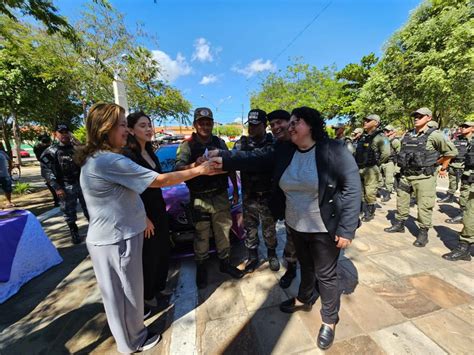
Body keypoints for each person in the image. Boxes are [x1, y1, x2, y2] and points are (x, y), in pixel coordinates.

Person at [215, 107, 361, 350]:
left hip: (324, 227)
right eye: (289, 122)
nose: (289, 126)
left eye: (296, 122)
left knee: (326, 275)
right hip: (296, 225)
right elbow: (254, 158)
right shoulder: (284, 150)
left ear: (311, 126)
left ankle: (329, 320)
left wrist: (346, 230)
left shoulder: (333, 150)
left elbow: (353, 188)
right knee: (305, 266)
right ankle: (304, 297)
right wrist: (222, 157)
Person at [76, 102, 217, 354]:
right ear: (105, 128)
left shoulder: (104, 158)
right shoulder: (108, 161)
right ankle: (132, 341)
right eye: (122, 125)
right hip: (115, 239)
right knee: (122, 296)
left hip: (121, 234)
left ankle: (133, 332)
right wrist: (200, 169)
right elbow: (159, 180)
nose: (126, 131)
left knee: (128, 292)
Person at [210, 109, 299, 288]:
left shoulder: (274, 143)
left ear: (263, 126)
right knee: (250, 228)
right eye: (250, 124)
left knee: (269, 228)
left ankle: (272, 254)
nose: (252, 128)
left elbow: (260, 160)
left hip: (267, 195)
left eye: (256, 125)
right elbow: (234, 164)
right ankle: (253, 257)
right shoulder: (240, 144)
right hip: (249, 195)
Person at [175, 107, 243, 289]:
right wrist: (193, 164)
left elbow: (229, 166)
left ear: (212, 123)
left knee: (223, 231)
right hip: (199, 198)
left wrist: (235, 190)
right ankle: (202, 267)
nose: (205, 125)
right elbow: (178, 169)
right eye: (201, 122)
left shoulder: (220, 142)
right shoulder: (187, 145)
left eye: (208, 122)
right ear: (195, 124)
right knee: (201, 235)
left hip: (220, 195)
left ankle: (225, 263)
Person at [384, 107, 458, 247]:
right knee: (402, 200)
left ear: (429, 118)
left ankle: (423, 232)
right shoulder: (408, 134)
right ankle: (400, 223)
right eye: (415, 116)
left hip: (424, 177)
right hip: (406, 175)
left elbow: (451, 152)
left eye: (420, 116)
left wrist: (439, 165)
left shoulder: (435, 135)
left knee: (424, 205)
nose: (416, 118)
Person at [123, 111, 172, 308]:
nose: (148, 129)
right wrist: (143, 218)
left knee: (163, 251)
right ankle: (148, 296)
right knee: (148, 257)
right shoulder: (128, 155)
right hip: (143, 213)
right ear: (131, 130)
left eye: (149, 125)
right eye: (142, 126)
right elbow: (129, 191)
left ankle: (159, 288)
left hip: (159, 208)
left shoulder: (151, 152)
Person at [40, 123, 89, 244]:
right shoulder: (51, 151)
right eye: (61, 132)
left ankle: (95, 231)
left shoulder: (77, 147)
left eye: (66, 132)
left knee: (90, 208)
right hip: (65, 186)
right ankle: (74, 234)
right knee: (68, 211)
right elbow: (46, 171)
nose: (64, 135)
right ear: (55, 134)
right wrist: (57, 187)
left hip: (83, 184)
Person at [443, 122, 473, 261]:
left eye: (466, 126)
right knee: (469, 214)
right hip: (468, 175)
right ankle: (464, 247)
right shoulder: (458, 140)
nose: (463, 128)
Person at [354, 114, 390, 222]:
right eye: (365, 120)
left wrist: (376, 163)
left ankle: (369, 212)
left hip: (371, 169)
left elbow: (386, 153)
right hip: (359, 168)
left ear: (376, 123)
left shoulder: (381, 137)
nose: (365, 122)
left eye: (368, 120)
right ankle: (359, 210)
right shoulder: (363, 136)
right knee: (359, 192)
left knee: (370, 192)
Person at [439, 125, 468, 207]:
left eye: (466, 127)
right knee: (452, 182)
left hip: (466, 166)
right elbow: (449, 151)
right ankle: (450, 197)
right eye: (462, 127)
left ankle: (464, 204)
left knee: (465, 187)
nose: (463, 128)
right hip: (454, 164)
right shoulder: (456, 138)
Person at [34, 134, 59, 207]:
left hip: (47, 169)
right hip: (50, 168)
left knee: (52, 184)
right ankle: (57, 200)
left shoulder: (37, 148)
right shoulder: (47, 148)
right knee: (54, 184)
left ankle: (57, 200)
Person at [379, 125, 401, 202]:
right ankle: (378, 191)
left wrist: (397, 166)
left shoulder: (395, 141)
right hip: (382, 162)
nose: (385, 132)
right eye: (385, 130)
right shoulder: (385, 139)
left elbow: (399, 152)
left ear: (392, 132)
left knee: (388, 180)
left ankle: (388, 194)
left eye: (387, 131)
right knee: (379, 178)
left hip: (390, 162)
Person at [0, 142, 15, 208]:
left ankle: (9, 202)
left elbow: (10, 161)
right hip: (4, 175)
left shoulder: (2, 153)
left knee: (7, 189)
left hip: (5, 175)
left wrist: (9, 170)